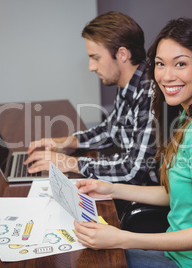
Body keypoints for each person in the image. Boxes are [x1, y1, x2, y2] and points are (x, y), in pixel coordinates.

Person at [73, 18, 192, 268]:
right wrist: (109, 188)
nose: (167, 76)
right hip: (179, 256)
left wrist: (123, 239)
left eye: (180, 64)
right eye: (160, 64)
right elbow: (177, 193)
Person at [24, 11, 157, 185]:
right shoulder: (130, 84)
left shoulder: (149, 92)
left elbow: (133, 171)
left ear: (122, 54)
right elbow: (110, 131)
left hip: (144, 195)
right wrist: (68, 142)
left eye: (95, 58)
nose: (91, 67)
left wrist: (69, 163)